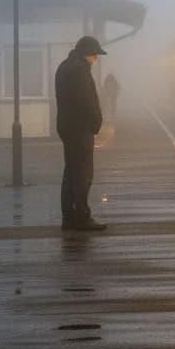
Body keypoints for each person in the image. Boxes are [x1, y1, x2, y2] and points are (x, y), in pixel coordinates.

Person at [55, 35, 107, 231]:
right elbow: (86, 101)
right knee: (83, 174)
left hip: (68, 127)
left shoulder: (65, 66)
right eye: (95, 55)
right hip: (80, 128)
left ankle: (69, 218)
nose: (96, 59)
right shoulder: (79, 70)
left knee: (71, 172)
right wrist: (97, 122)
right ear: (87, 53)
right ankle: (82, 218)